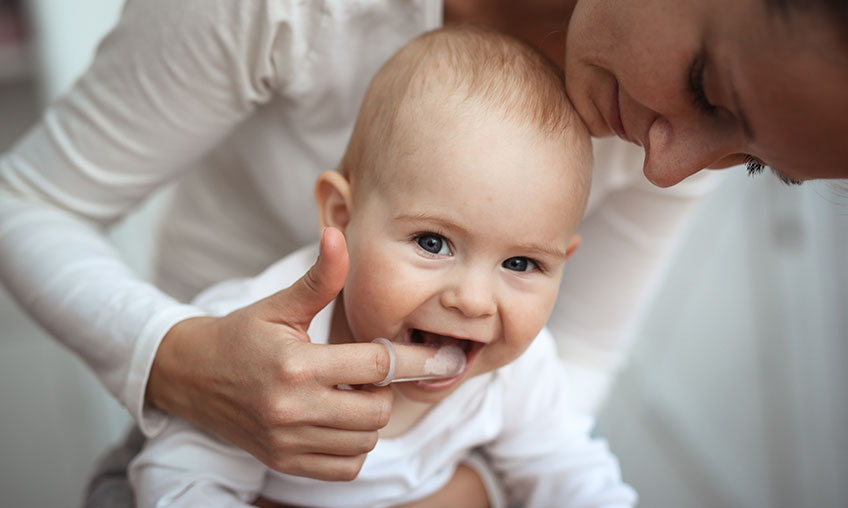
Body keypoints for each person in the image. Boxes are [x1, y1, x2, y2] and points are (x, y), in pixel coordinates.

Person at [0, 0, 844, 505]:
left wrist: (468, 492)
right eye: (706, 86)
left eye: (753, 157)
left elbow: (568, 431)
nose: (667, 168)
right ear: (338, 210)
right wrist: (181, 362)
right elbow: (25, 205)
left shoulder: (515, 373)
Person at [128, 26, 636, 508]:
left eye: (521, 262)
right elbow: (178, 487)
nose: (475, 300)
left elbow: (571, 474)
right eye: (433, 243)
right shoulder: (253, 346)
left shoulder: (517, 372)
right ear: (342, 217)